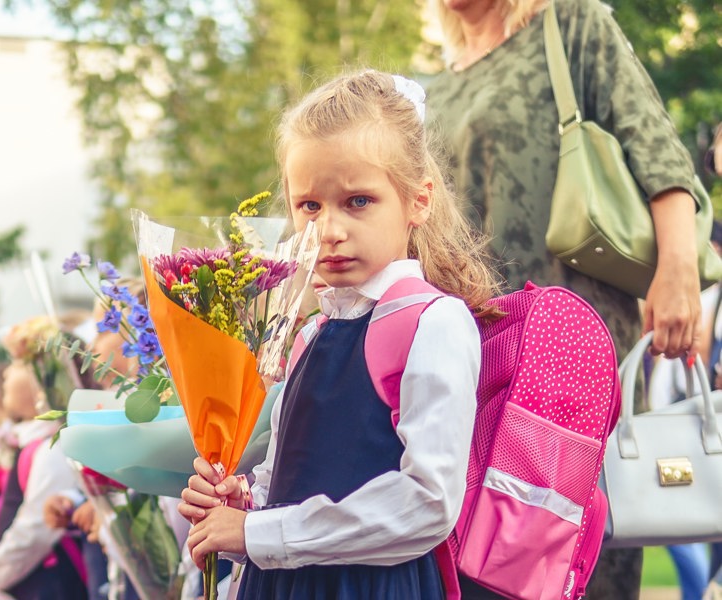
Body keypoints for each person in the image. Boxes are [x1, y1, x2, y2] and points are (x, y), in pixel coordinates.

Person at [179, 70, 501, 598]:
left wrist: (264, 533)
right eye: (309, 205)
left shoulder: (432, 322)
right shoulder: (311, 331)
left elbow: (428, 504)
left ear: (418, 201)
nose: (328, 229)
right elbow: (287, 482)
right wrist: (240, 509)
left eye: (357, 201)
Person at [425, 0, 705, 597]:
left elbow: (659, 152)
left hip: (567, 367)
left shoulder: (571, 24)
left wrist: (679, 272)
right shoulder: (433, 87)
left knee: (573, 570)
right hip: (468, 372)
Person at [0, 360, 87, 600]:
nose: (6, 371)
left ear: (42, 379)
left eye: (18, 363)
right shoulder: (32, 442)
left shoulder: (53, 446)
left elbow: (35, 530)